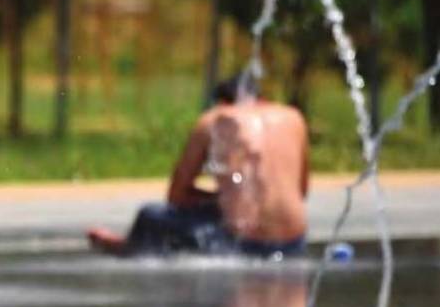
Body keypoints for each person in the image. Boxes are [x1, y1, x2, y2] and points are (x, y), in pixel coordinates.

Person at [88, 77, 310, 258]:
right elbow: (301, 191)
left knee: (151, 215)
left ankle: (133, 250)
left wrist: (221, 198)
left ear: (222, 103)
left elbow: (177, 195)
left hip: (245, 245)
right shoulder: (293, 117)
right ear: (262, 98)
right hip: (292, 243)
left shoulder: (214, 120)